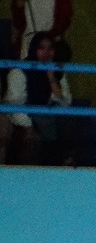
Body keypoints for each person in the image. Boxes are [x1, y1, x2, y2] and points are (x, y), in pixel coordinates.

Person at [2, 32, 68, 164]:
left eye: (50, 48)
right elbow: (15, 106)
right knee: (31, 139)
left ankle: (65, 164)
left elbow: (65, 102)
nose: (46, 53)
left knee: (67, 121)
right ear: (33, 49)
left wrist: (51, 78)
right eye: (41, 48)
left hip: (45, 116)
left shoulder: (57, 71)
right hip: (20, 119)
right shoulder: (19, 71)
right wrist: (29, 126)